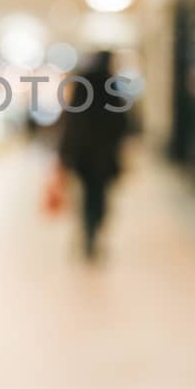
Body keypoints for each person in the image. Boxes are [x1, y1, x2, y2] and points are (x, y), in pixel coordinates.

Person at [56, 51, 134, 262]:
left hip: (82, 153)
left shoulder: (82, 84)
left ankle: (88, 230)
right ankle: (94, 228)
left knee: (86, 193)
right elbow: (122, 121)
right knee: (99, 194)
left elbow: (71, 120)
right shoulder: (111, 85)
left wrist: (65, 153)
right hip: (103, 153)